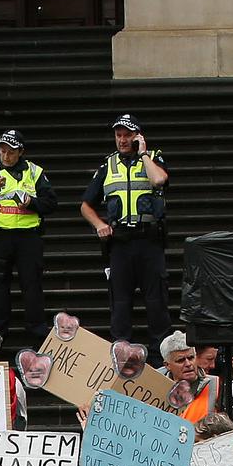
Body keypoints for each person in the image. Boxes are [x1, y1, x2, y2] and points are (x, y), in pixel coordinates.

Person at [79, 115, 172, 358]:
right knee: (120, 306)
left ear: (137, 136)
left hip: (149, 241)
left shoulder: (153, 159)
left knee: (156, 304)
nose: (122, 140)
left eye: (127, 135)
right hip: (120, 243)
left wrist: (143, 154)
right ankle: (122, 358)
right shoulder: (107, 166)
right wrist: (99, 224)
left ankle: (160, 359)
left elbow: (160, 180)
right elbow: (85, 205)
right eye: (118, 135)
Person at [0, 129, 55, 338]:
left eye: (10, 151)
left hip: (28, 238)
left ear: (21, 152)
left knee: (32, 287)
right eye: (2, 151)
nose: (6, 156)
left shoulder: (35, 172)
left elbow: (51, 202)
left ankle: (37, 336)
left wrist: (32, 202)